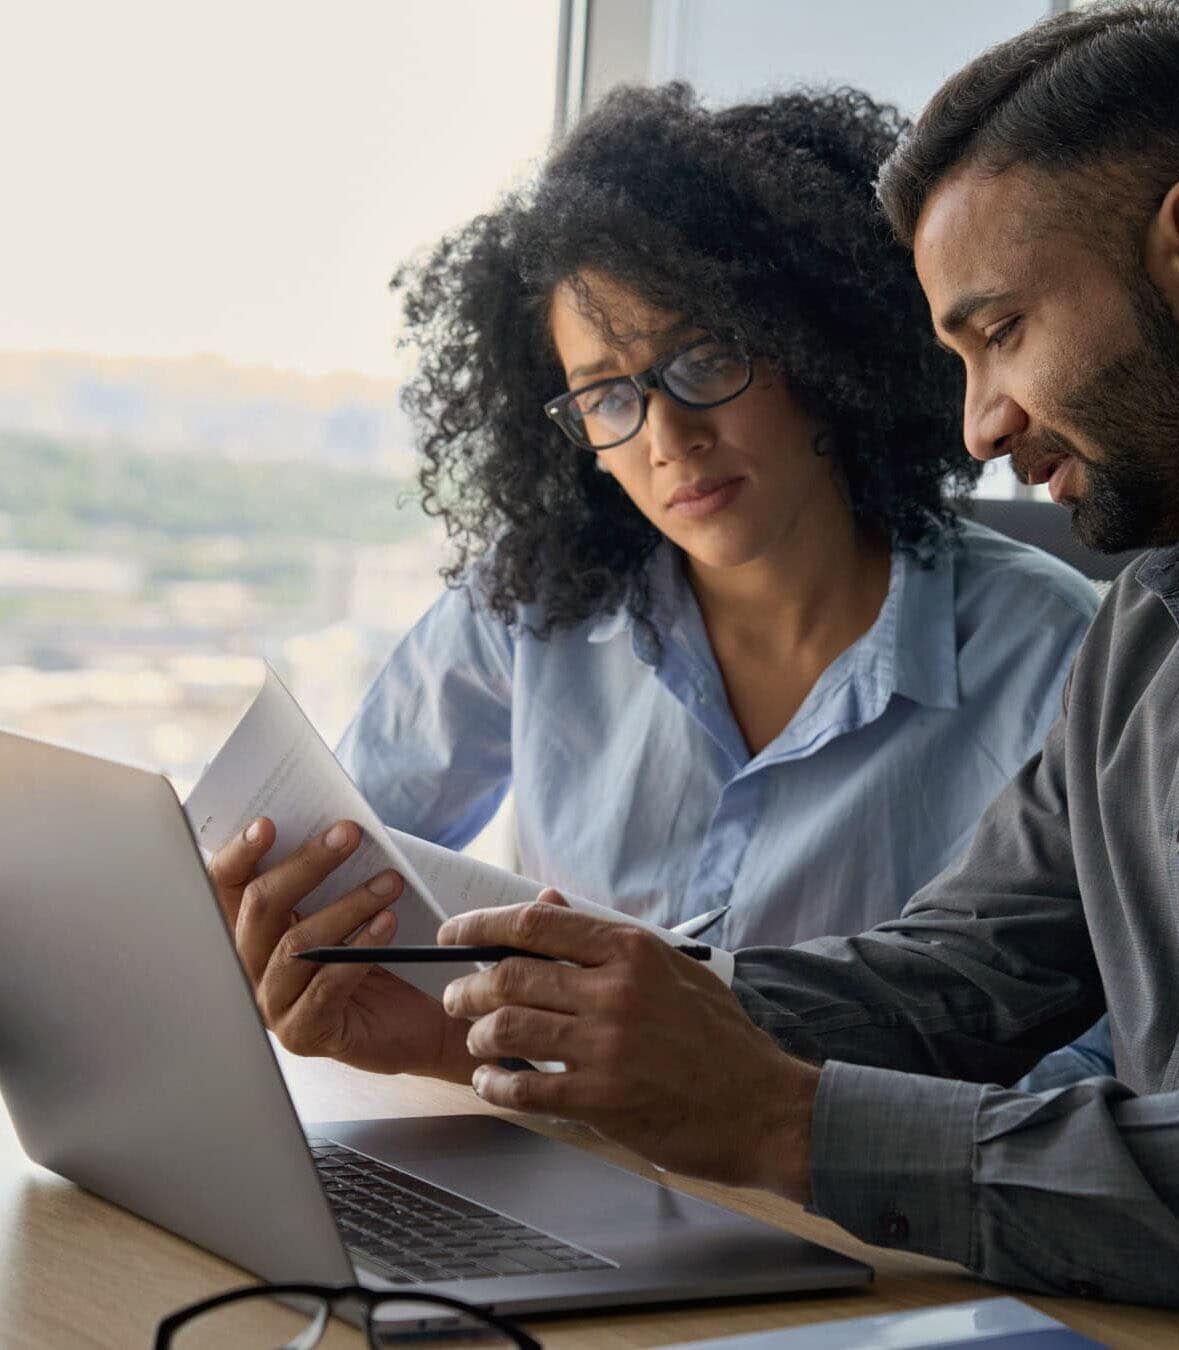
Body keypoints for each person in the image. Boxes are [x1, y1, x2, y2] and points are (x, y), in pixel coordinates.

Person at [370, 0, 1179, 1327]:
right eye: (953, 356)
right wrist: (570, 1025)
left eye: (1000, 333)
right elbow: (964, 971)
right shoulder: (1151, 631)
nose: (981, 421)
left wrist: (796, 1128)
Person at [331, 82, 1097, 957]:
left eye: (704, 359)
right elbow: (339, 852)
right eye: (606, 395)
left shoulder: (1051, 655)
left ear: (821, 350)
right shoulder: (530, 608)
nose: (667, 436)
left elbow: (1096, 1054)